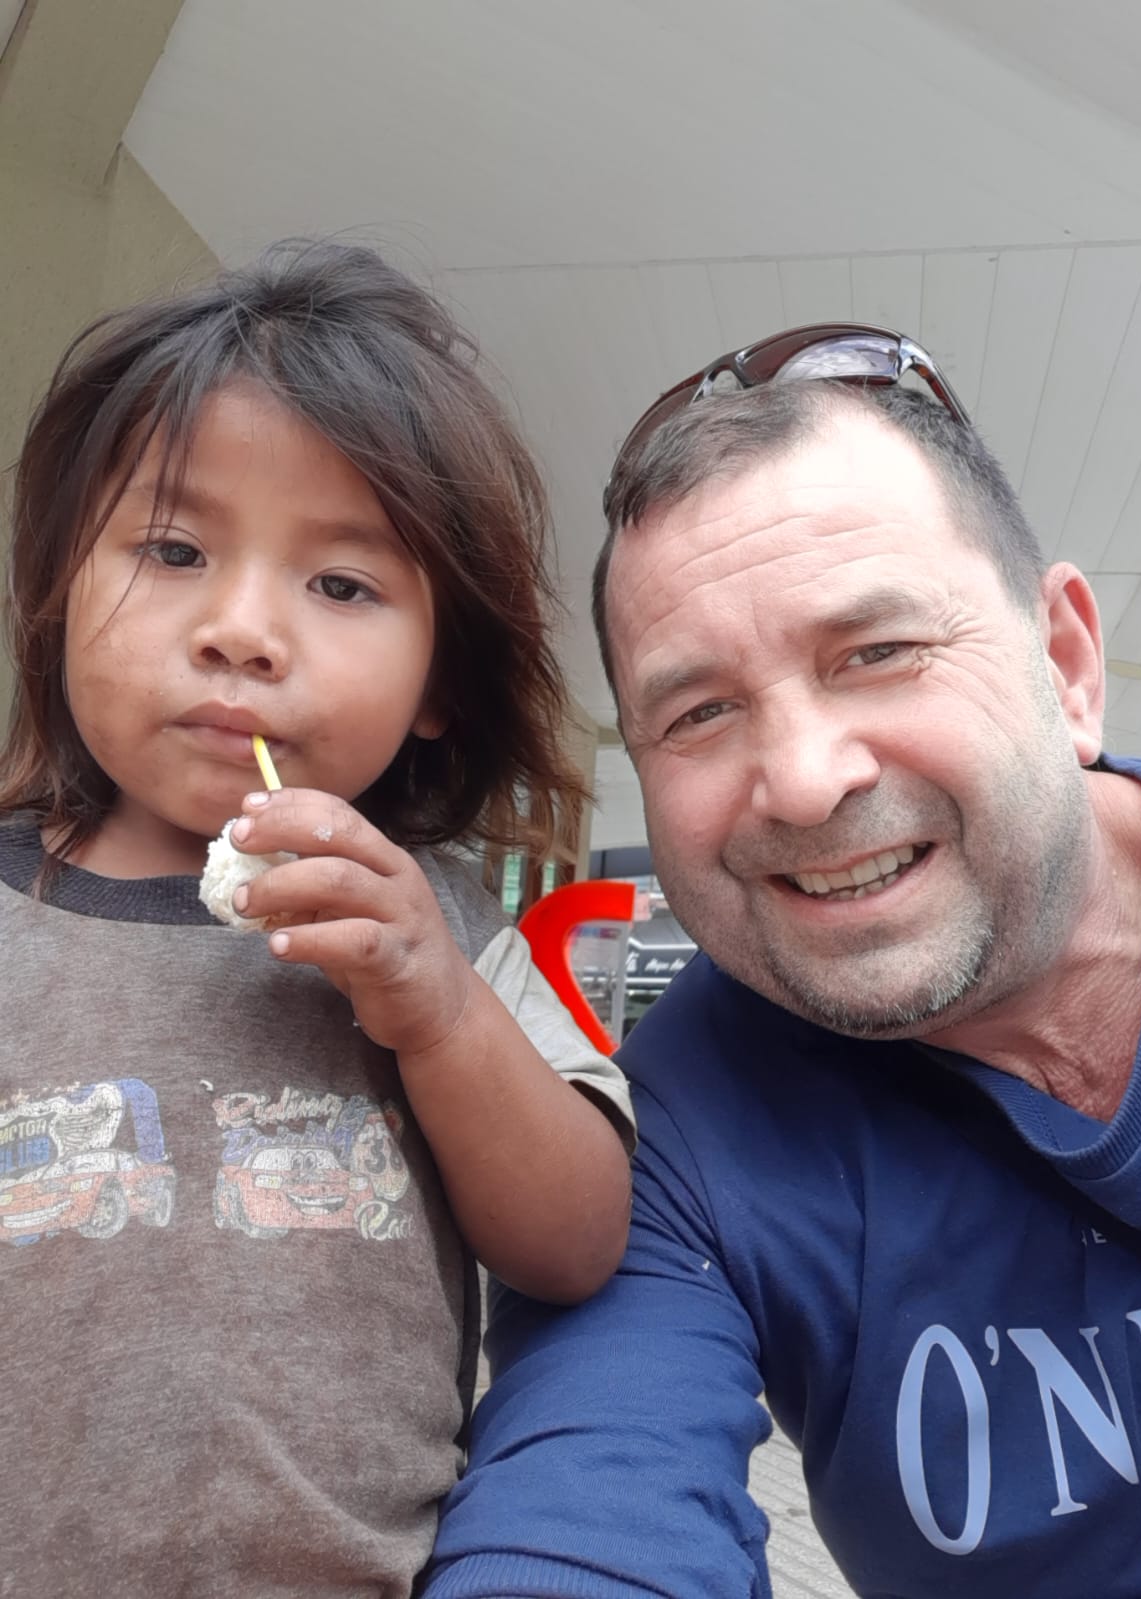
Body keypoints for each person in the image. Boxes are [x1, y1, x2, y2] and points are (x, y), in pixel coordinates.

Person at [425, 326, 1141, 1598]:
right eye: (701, 713)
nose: (801, 780)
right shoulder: (666, 1141)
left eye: (877, 652)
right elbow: (587, 1499)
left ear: (1064, 663)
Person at [0, 240, 634, 1597]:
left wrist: (440, 1011)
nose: (241, 629)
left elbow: (574, 1242)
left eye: (341, 583)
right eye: (172, 548)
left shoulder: (448, 927)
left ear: (438, 684)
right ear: (55, 592)